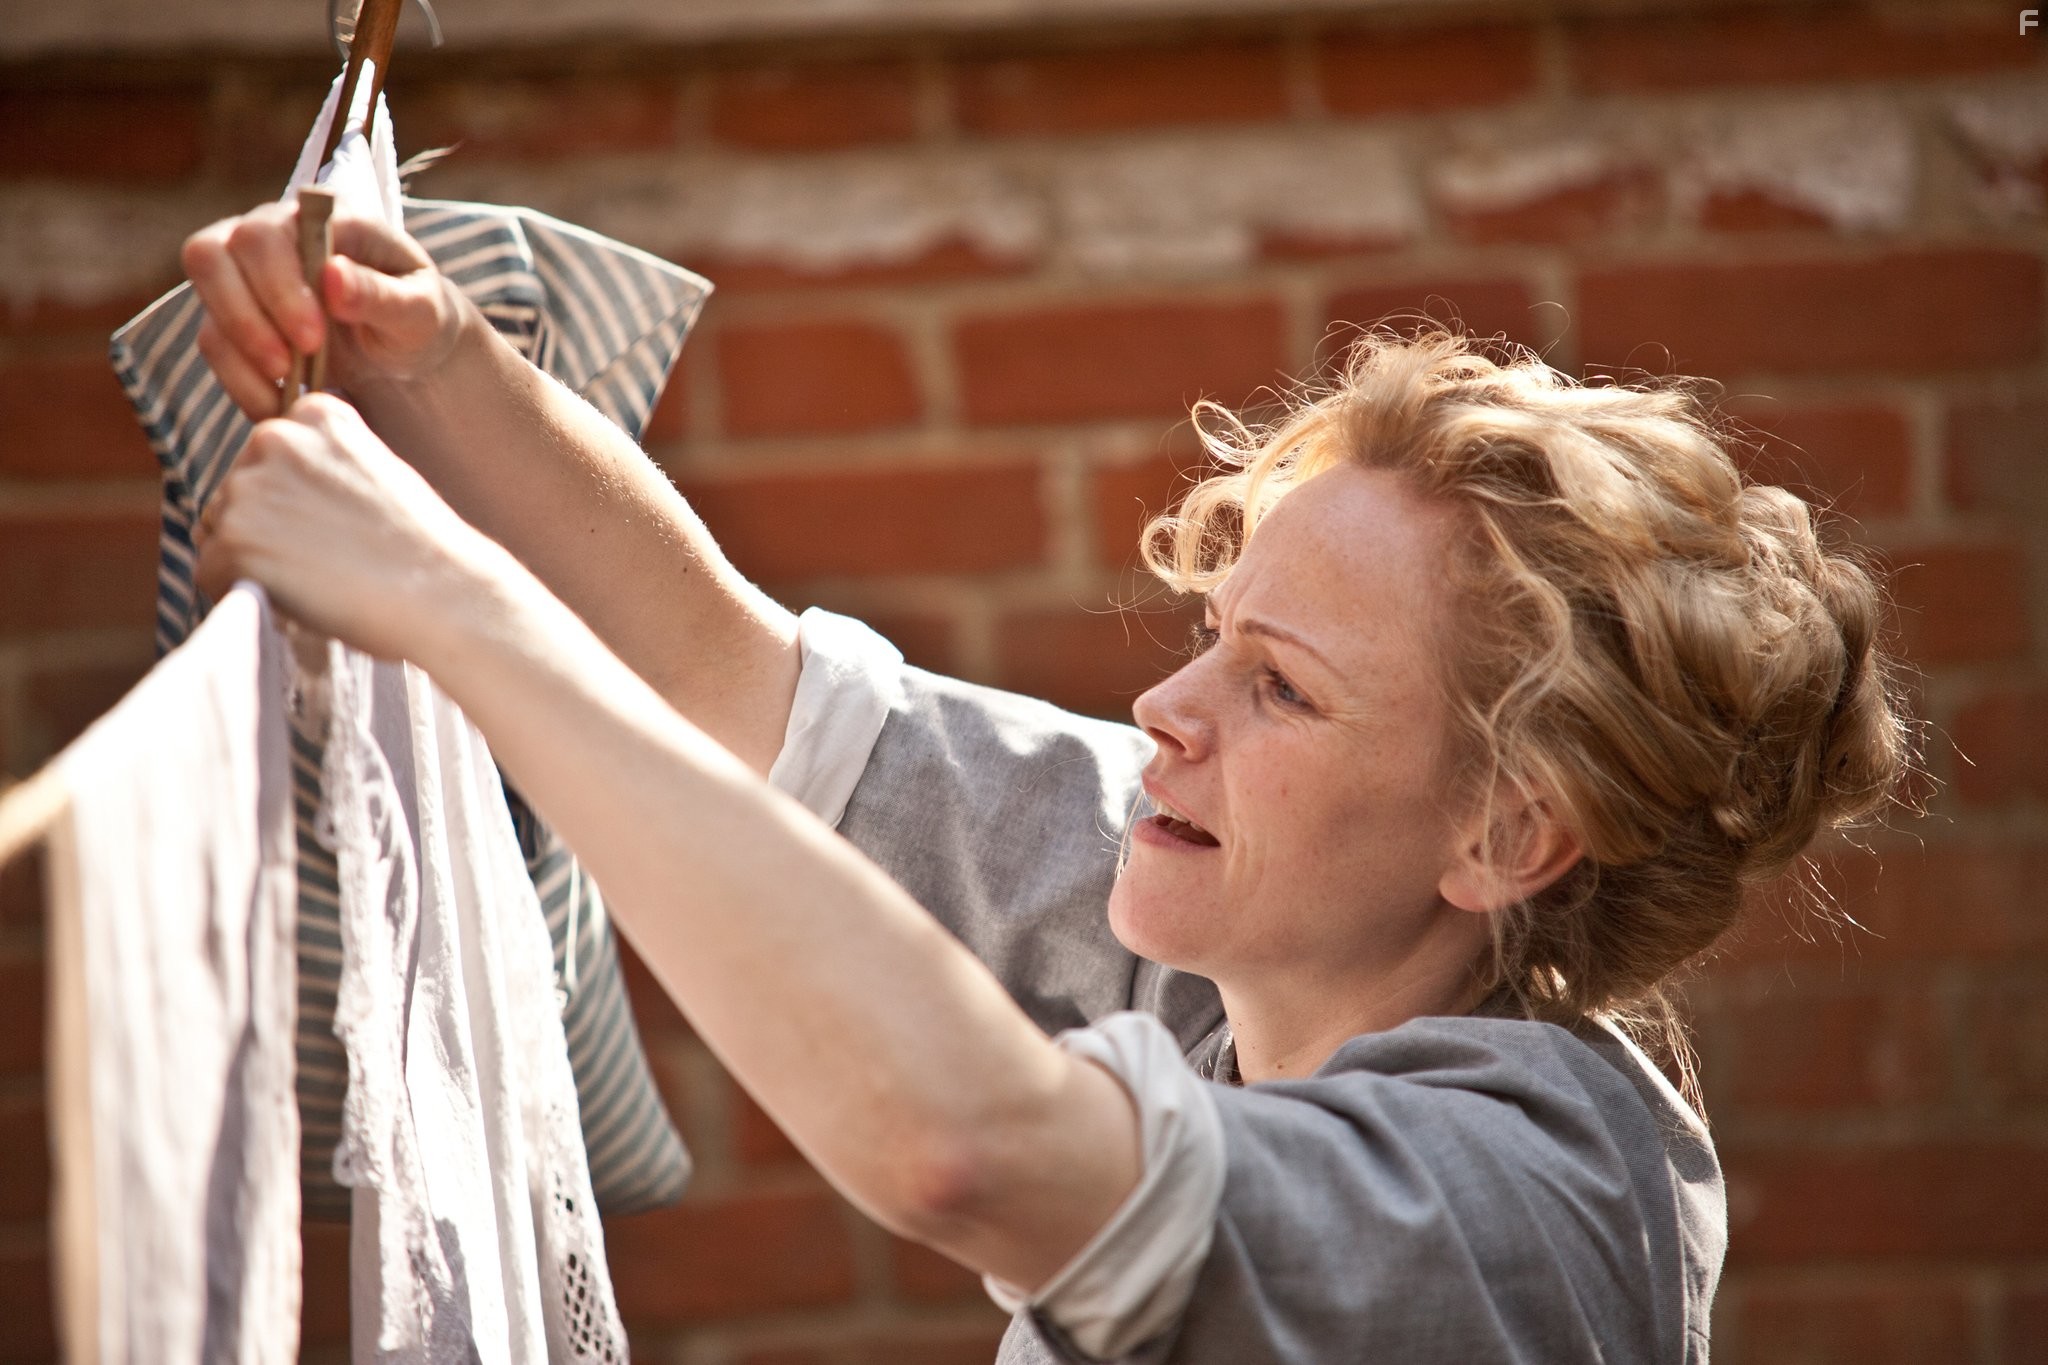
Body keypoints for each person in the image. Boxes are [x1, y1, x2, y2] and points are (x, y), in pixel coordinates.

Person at [181, 199, 1909, 1364]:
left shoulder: (1526, 1199)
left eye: (1281, 687)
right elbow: (739, 683)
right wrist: (431, 366)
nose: (1166, 704)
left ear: (1506, 829)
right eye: (1214, 629)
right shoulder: (1262, 935)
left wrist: (457, 616)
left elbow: (965, 1154)